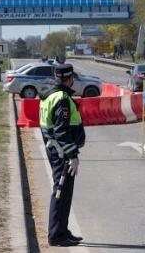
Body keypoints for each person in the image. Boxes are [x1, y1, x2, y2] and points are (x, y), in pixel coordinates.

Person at [39, 64, 85, 247]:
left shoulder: (49, 94)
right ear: (70, 78)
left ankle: (62, 230)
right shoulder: (61, 99)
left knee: (65, 192)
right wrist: (72, 155)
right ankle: (56, 235)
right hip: (62, 152)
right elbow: (60, 131)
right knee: (60, 192)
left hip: (56, 150)